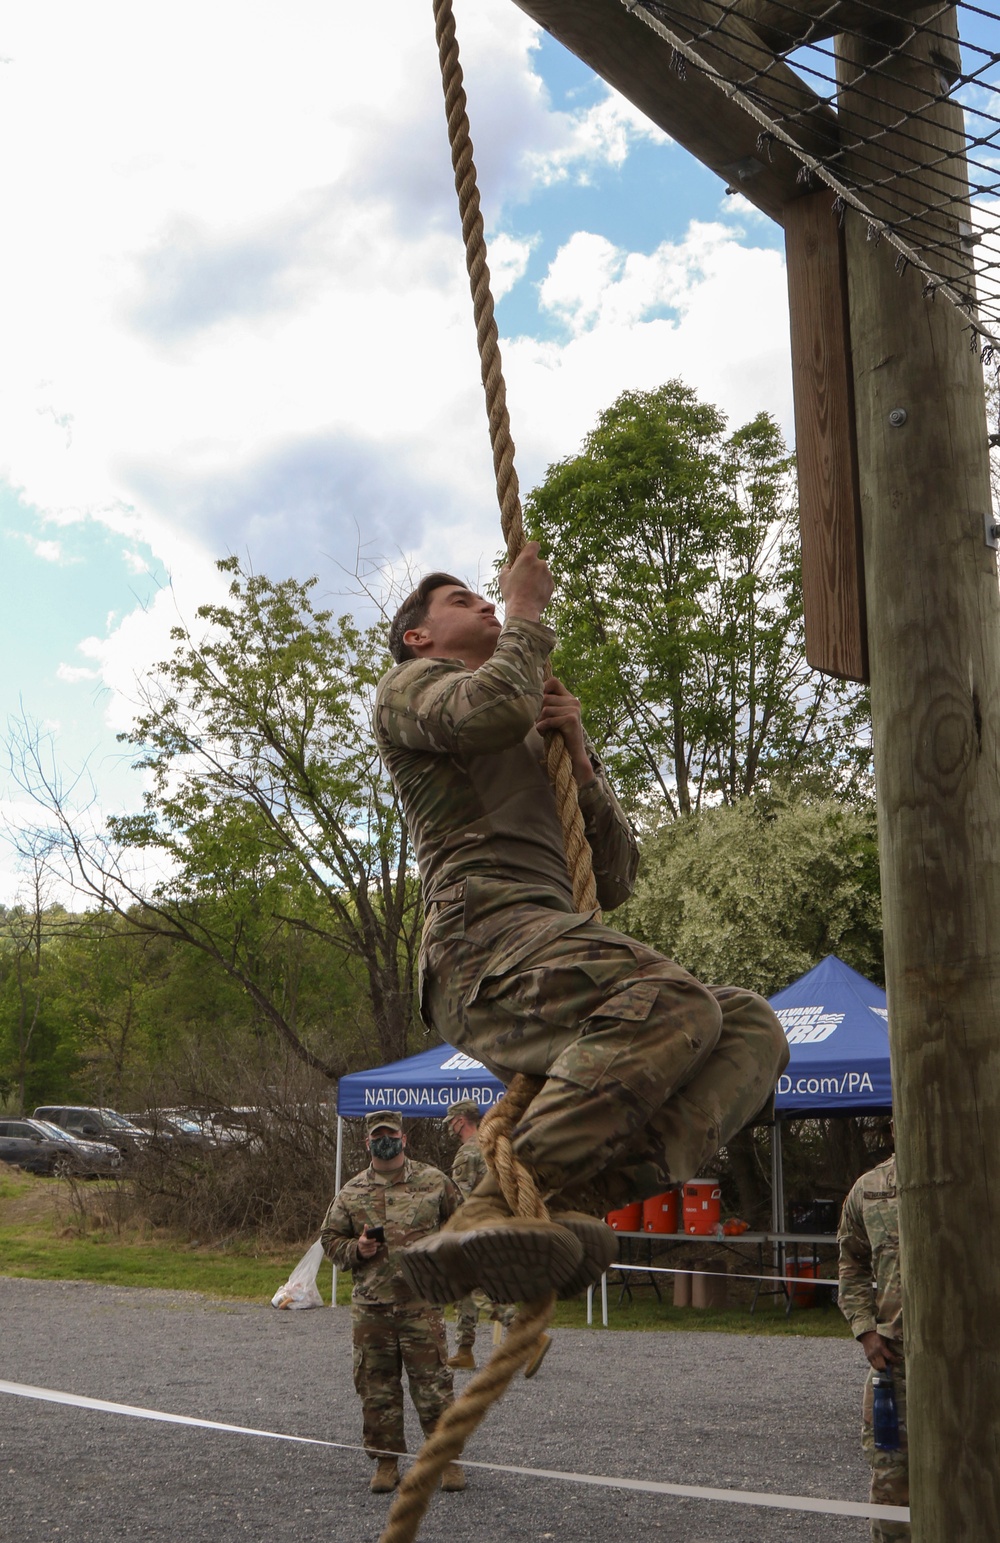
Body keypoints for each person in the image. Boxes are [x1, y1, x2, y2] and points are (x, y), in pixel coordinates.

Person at [373, 544, 790, 1306]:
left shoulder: (527, 727)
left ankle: (573, 1191)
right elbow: (490, 707)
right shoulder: (411, 689)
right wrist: (528, 610)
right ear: (418, 637)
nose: (489, 605)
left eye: (490, 598)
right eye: (464, 600)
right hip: (484, 945)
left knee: (749, 1026)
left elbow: (617, 876)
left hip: (548, 946)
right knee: (674, 1000)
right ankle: (494, 1197)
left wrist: (580, 757)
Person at [320, 1110, 466, 1495]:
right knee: (376, 1388)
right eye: (377, 1136)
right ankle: (386, 1464)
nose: (385, 1140)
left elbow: (466, 1223)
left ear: (404, 1138)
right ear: (368, 1143)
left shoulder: (434, 1182)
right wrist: (358, 1248)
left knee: (433, 1386)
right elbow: (330, 1239)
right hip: (372, 1308)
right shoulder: (351, 1192)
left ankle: (447, 1461)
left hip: (422, 1305)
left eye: (391, 1134)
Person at [838, 1145, 908, 1542]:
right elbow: (851, 1260)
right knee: (891, 1480)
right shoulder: (871, 1188)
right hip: (895, 1361)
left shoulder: (978, 1174)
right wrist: (865, 1329)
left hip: (971, 1361)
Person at [443, 1098, 521, 1371]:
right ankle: (464, 1350)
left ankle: (526, 1335)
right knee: (466, 1288)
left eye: (451, 1122)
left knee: (477, 1289)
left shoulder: (467, 1153)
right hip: (500, 1224)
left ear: (460, 1121)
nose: (450, 1128)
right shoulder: (495, 1146)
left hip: (476, 1229)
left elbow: (462, 1199)